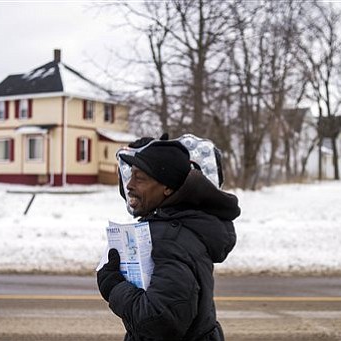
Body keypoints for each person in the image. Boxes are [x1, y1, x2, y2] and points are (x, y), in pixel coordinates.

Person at [97, 136, 240, 341]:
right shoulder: (180, 226)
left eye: (140, 178)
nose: (129, 185)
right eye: (130, 176)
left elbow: (159, 321)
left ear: (168, 188)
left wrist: (113, 286)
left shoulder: (171, 239)